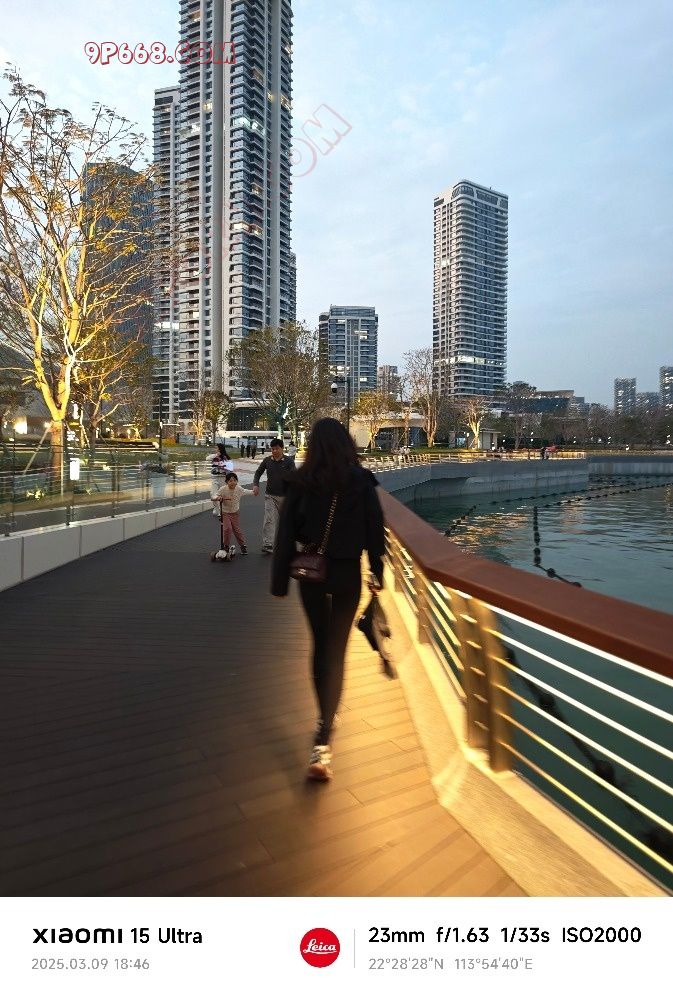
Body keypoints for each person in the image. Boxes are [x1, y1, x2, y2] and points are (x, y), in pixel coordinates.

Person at [272, 417, 385, 781]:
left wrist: (279, 583)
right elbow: (375, 530)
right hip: (347, 574)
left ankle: (324, 719)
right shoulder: (361, 481)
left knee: (320, 646)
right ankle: (324, 736)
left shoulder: (301, 482)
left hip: (312, 575)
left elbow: (285, 534)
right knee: (337, 650)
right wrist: (377, 571)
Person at [253, 438, 296, 554]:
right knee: (269, 519)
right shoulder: (267, 460)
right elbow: (258, 472)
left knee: (286, 522)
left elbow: (294, 477)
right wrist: (256, 485)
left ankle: (290, 543)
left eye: (277, 449)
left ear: (282, 448)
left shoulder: (289, 461)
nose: (274, 451)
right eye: (272, 449)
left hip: (285, 497)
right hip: (270, 495)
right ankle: (268, 544)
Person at [211, 472, 253, 556]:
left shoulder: (238, 489)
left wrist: (254, 492)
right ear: (226, 482)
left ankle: (243, 546)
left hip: (235, 512)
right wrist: (217, 498)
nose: (233, 482)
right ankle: (226, 546)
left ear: (237, 481)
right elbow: (213, 496)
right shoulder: (223, 489)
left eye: (234, 480)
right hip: (225, 513)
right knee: (227, 529)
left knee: (236, 530)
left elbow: (245, 491)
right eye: (230, 481)